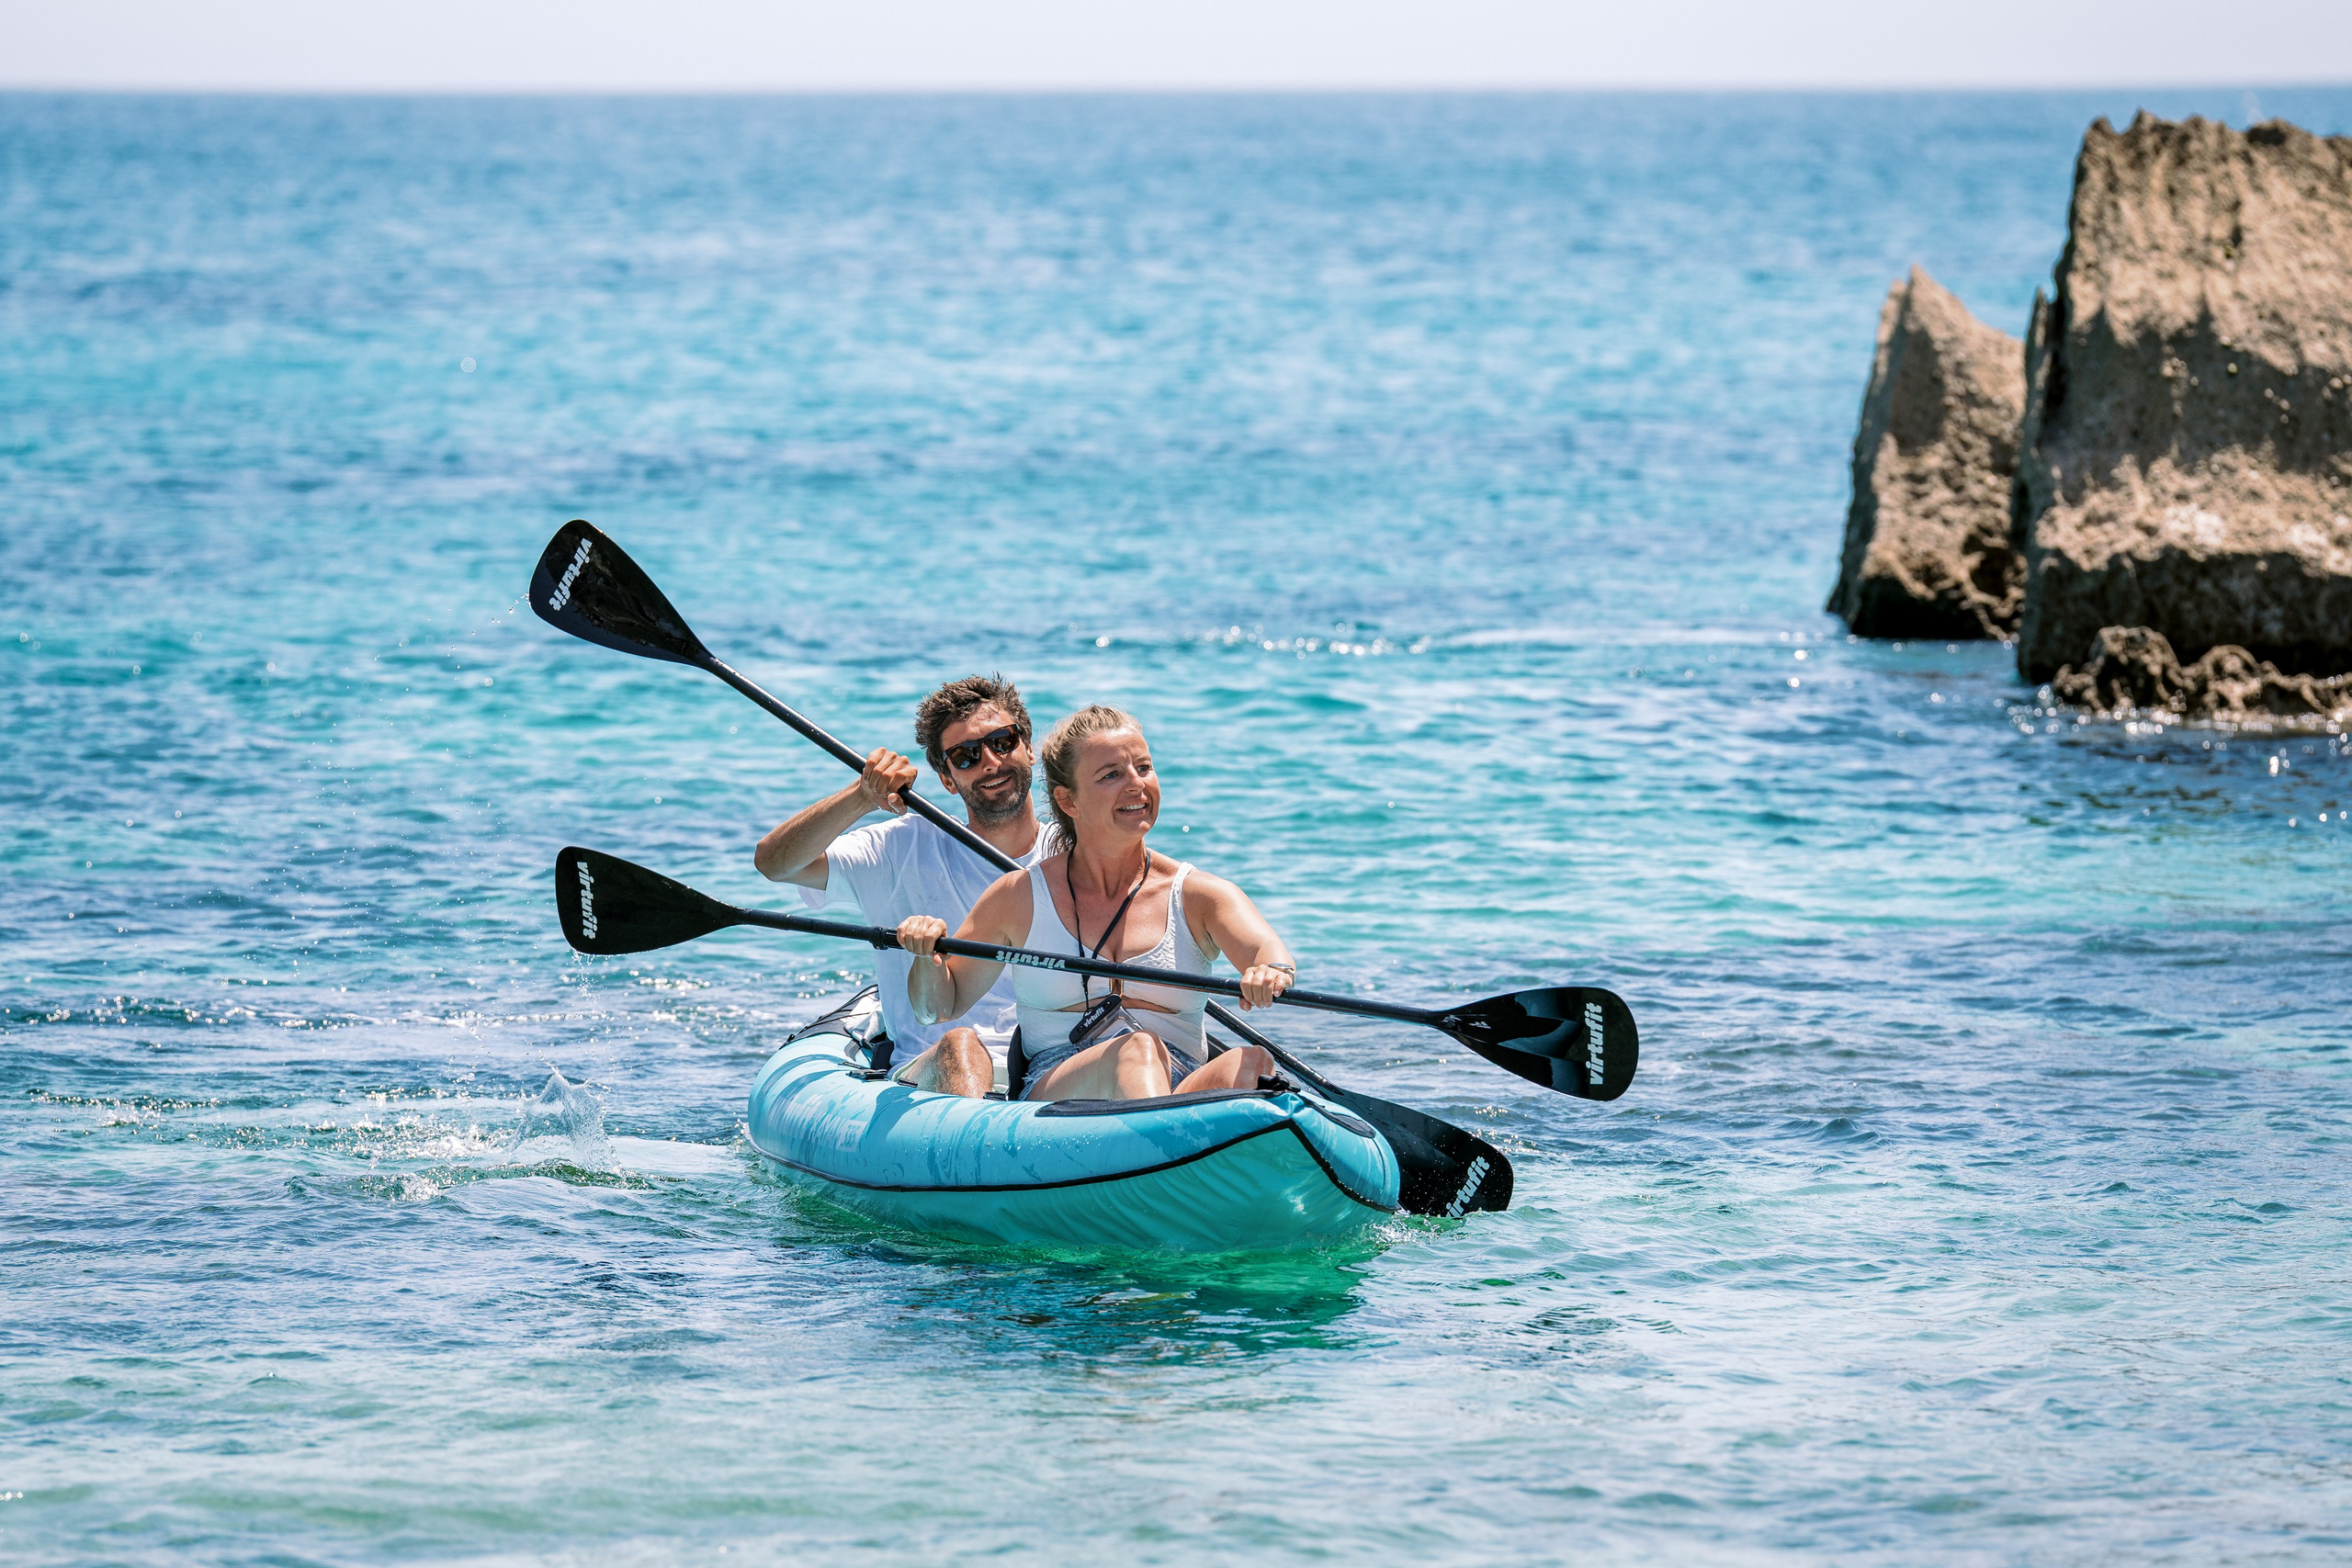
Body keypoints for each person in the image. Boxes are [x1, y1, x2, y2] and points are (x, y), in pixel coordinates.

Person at [898, 705, 1294, 1101]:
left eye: (1144, 768)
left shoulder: (1200, 895)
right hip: (1058, 1088)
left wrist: (1270, 972)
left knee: (1254, 1062)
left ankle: (1167, 1143)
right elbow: (938, 1007)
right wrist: (925, 957)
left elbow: (1267, 951)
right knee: (1137, 1050)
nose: (1137, 784)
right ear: (1069, 801)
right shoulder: (1017, 897)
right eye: (1111, 775)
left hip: (1180, 1082)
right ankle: (1162, 1152)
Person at [754, 674, 1051, 1095]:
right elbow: (775, 864)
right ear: (947, 779)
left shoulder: (1074, 853)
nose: (990, 761)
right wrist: (863, 794)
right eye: (965, 756)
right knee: (961, 1046)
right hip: (933, 1070)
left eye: (1002, 741)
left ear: (1029, 748)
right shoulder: (900, 846)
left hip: (1045, 1068)